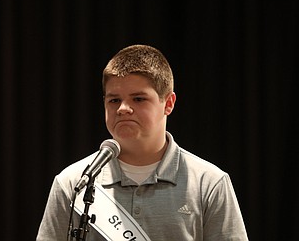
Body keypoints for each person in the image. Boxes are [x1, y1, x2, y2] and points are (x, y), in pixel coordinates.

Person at [37, 44, 248, 240]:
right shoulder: (74, 183)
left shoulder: (209, 184)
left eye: (138, 99)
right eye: (114, 100)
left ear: (168, 103)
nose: (123, 108)